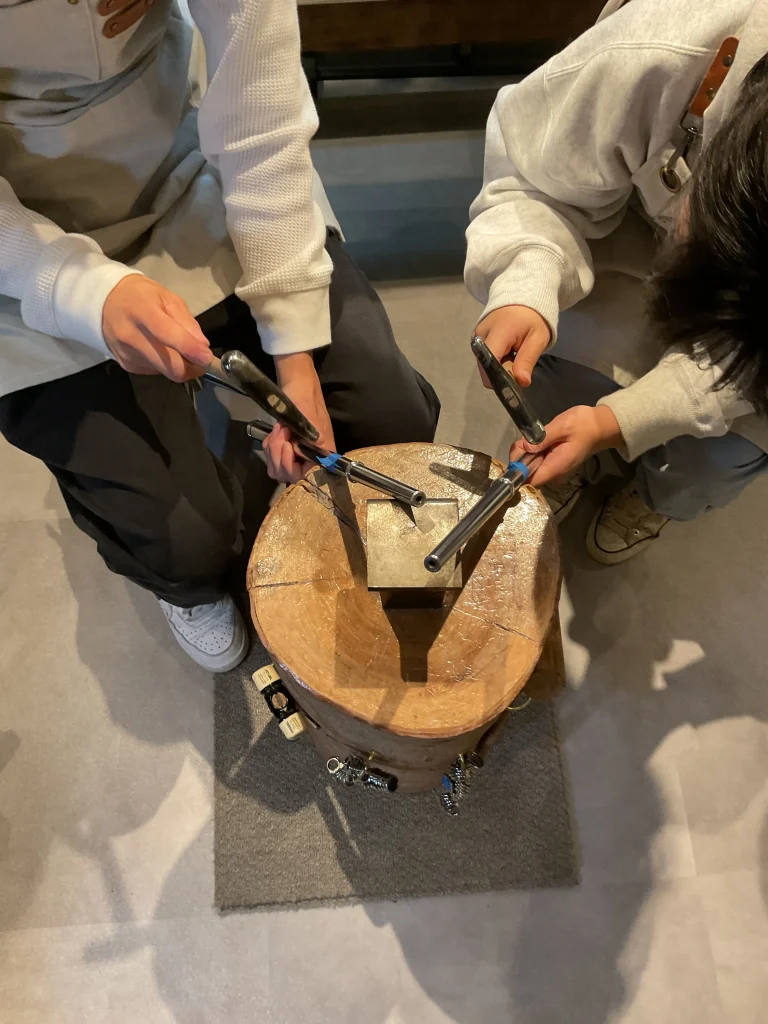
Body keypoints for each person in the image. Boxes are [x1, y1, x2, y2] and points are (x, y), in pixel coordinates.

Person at [0, 1, 439, 672]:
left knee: (389, 416)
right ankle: (185, 584)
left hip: (183, 160)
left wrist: (295, 360)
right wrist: (79, 290)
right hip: (19, 240)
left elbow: (260, 115)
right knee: (188, 543)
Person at [466, 0, 768, 564]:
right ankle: (567, 449)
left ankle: (659, 496)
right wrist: (527, 279)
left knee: (713, 460)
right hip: (627, 237)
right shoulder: (657, 51)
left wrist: (614, 422)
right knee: (554, 368)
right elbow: (532, 180)